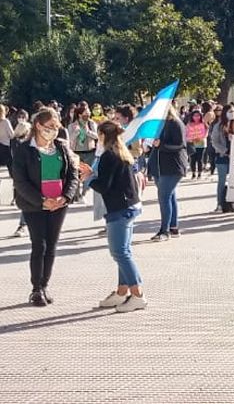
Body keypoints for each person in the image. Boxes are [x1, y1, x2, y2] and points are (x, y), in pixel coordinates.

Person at [11, 108, 80, 306]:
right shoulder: (24, 149)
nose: (54, 130)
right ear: (38, 126)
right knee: (39, 245)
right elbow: (20, 181)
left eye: (56, 126)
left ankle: (45, 284)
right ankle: (36, 289)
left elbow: (73, 174)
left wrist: (65, 197)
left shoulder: (61, 146)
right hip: (34, 205)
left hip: (59, 204)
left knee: (51, 245)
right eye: (50, 126)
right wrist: (42, 200)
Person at [92, 120, 148, 312]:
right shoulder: (121, 151)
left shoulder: (108, 155)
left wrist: (89, 178)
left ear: (102, 136)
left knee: (119, 252)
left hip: (120, 208)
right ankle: (122, 291)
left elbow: (104, 186)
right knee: (124, 251)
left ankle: (137, 294)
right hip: (130, 205)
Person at [150, 106, 188, 241]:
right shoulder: (158, 124)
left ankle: (164, 231)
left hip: (173, 166)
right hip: (159, 166)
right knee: (170, 196)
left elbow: (181, 145)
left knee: (164, 196)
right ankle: (173, 227)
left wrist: (161, 145)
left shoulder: (176, 123)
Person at [209, 115, 234, 213]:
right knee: (221, 181)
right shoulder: (218, 126)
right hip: (222, 156)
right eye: (230, 111)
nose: (232, 114)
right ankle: (220, 204)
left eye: (233, 111)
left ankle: (233, 203)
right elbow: (214, 142)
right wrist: (225, 151)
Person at [184, 110, 208, 180]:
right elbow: (186, 134)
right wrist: (190, 139)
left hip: (201, 144)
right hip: (192, 144)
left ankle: (199, 174)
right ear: (192, 116)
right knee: (192, 159)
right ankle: (193, 173)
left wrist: (201, 138)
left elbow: (206, 133)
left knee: (200, 159)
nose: (196, 117)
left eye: (198, 115)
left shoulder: (203, 123)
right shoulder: (189, 124)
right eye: (195, 115)